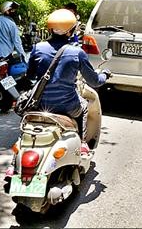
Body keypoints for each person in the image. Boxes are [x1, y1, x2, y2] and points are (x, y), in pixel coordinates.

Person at [26, 9, 110, 153]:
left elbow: (30, 75)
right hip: (68, 106)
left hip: (39, 104)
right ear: (70, 32)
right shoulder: (77, 53)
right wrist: (105, 75)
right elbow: (94, 81)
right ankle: (83, 143)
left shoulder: (37, 48)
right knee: (84, 106)